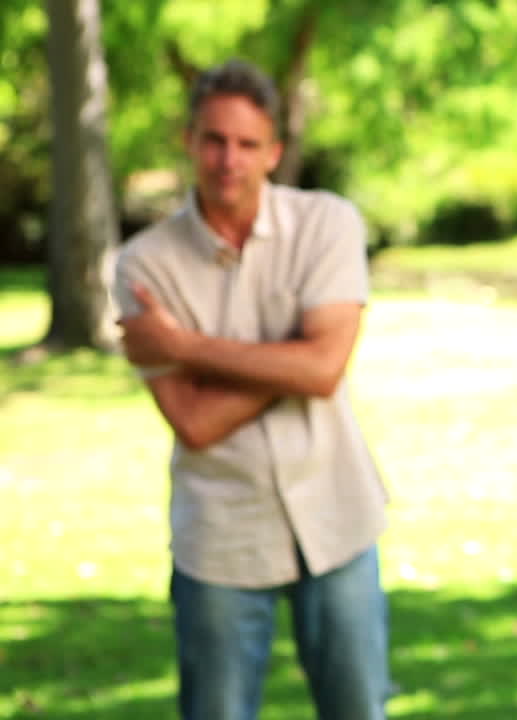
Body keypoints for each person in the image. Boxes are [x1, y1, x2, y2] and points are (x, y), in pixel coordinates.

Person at [113, 60, 390, 720]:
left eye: (246, 144)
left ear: (273, 151)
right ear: (188, 140)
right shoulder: (143, 265)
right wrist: (294, 357)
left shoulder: (328, 223)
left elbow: (325, 371)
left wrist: (183, 347)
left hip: (336, 514)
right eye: (213, 139)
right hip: (220, 535)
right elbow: (195, 422)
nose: (227, 159)